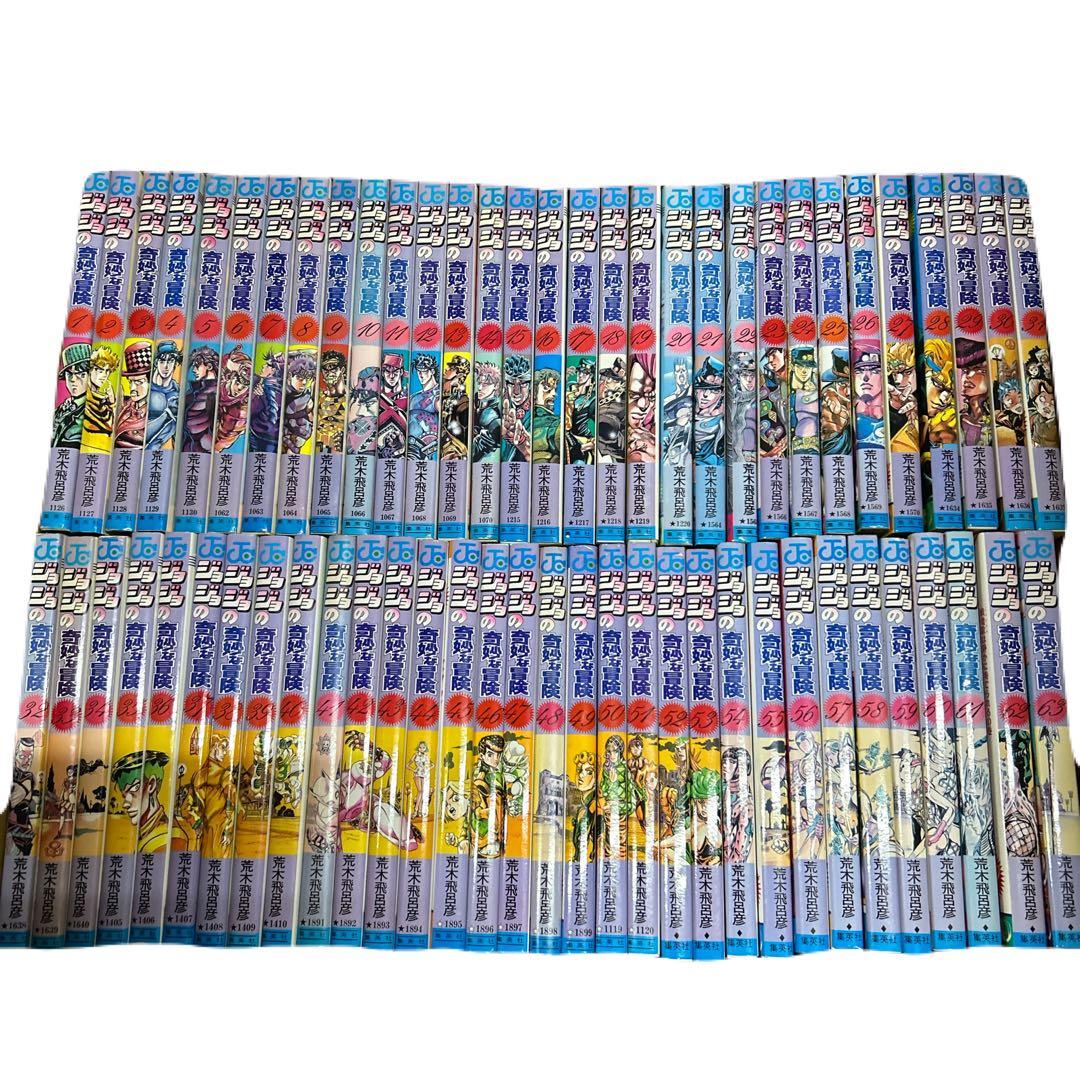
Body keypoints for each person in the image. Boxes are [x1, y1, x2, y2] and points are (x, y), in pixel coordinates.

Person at [52, 343, 92, 448]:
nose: (73, 380)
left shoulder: (93, 409)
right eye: (69, 374)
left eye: (81, 374)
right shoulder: (62, 408)